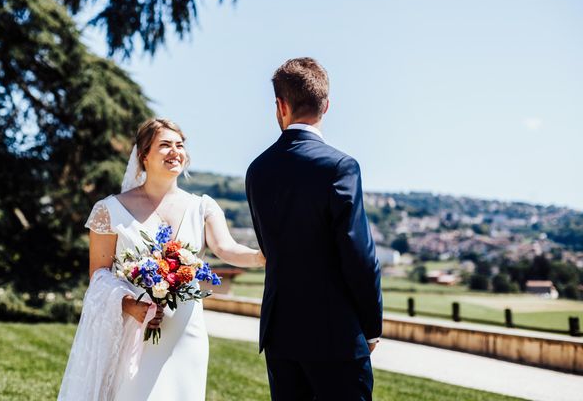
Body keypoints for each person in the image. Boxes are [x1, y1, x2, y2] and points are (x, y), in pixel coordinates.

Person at [58, 118, 265, 401]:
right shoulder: (109, 210)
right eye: (165, 145)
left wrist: (261, 257)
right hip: (136, 333)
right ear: (143, 155)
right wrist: (131, 306)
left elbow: (226, 248)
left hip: (186, 334)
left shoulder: (202, 207)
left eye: (179, 145)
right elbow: (99, 275)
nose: (175, 151)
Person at [246, 57, 383, 400]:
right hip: (335, 333)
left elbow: (268, 247)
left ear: (280, 106)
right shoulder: (340, 166)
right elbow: (358, 253)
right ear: (326, 105)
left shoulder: (257, 170)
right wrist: (370, 326)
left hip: (280, 335)